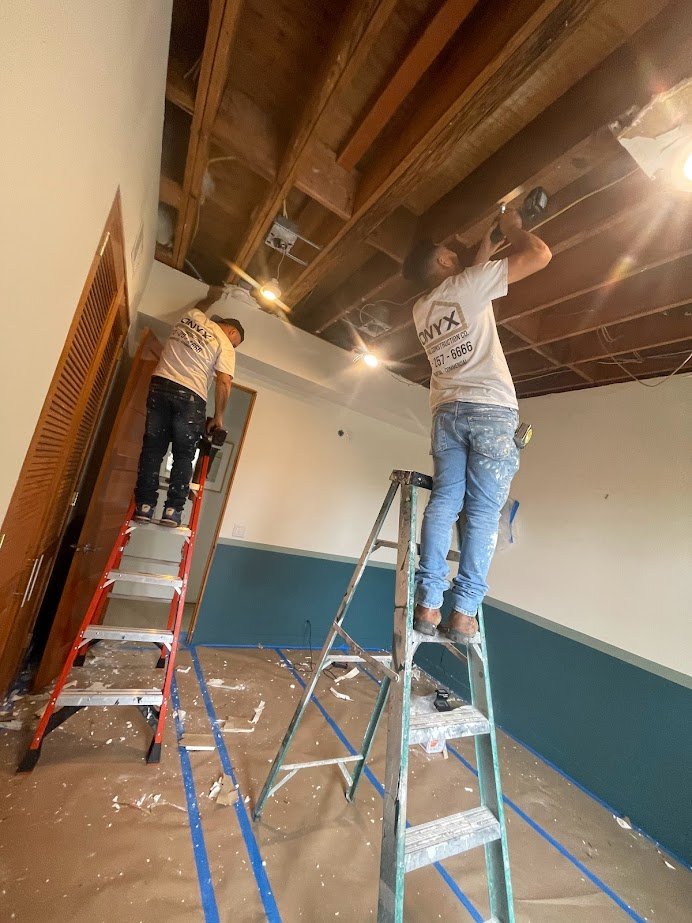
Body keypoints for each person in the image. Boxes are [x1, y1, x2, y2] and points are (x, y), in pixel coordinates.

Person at [402, 207, 551, 642]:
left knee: (445, 503)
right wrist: (513, 228)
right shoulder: (467, 285)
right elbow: (540, 255)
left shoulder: (421, 308)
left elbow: (470, 273)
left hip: (446, 413)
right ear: (447, 263)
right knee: (483, 512)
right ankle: (464, 613)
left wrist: (487, 241)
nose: (457, 255)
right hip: (490, 411)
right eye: (451, 252)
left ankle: (429, 606)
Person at [134, 286, 245, 527]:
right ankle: (173, 510)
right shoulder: (224, 343)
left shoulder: (193, 316)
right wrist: (219, 417)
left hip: (160, 384)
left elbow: (203, 306)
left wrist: (211, 297)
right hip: (190, 395)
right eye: (236, 342)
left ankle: (144, 505)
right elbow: (224, 382)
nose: (233, 347)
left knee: (153, 450)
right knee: (184, 454)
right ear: (232, 332)